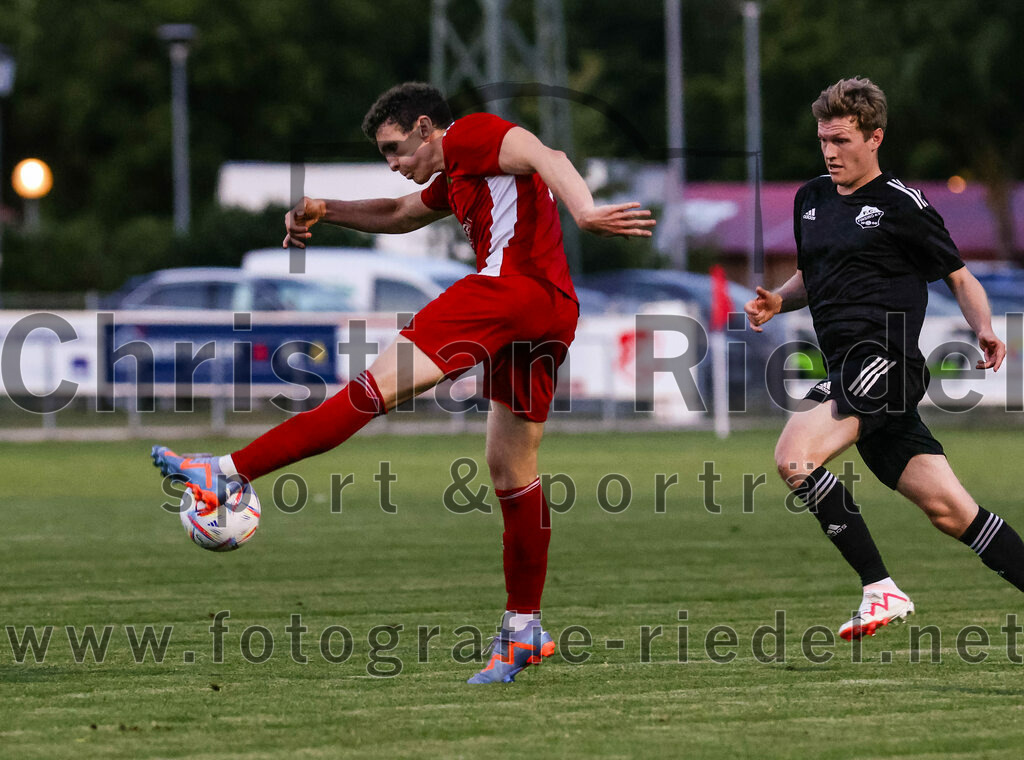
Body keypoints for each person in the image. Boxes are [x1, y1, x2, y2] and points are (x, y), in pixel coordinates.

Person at [151, 82, 654, 682]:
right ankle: (524, 629)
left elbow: (552, 158)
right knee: (511, 470)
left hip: (507, 293)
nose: (393, 164)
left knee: (370, 391)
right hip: (549, 310)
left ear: (425, 127)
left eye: (395, 149)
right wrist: (325, 208)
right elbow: (398, 213)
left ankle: (227, 471)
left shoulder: (470, 134)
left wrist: (585, 211)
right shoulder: (461, 174)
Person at [745, 77, 1024, 641]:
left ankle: (880, 589)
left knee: (794, 456)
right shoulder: (811, 199)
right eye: (823, 139)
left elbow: (959, 276)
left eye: (842, 140)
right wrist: (780, 298)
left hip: (886, 363)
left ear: (874, 138)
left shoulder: (902, 204)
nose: (830, 151)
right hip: (848, 368)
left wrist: (986, 328)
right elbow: (814, 274)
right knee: (952, 512)